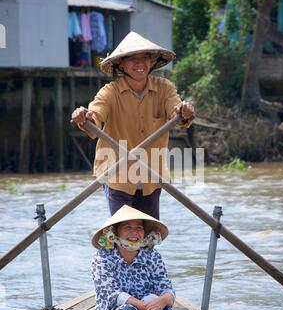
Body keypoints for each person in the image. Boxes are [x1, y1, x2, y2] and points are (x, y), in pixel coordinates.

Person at [71, 31, 195, 219]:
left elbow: (176, 112)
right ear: (121, 63)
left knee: (149, 233)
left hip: (152, 175)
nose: (140, 63)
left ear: (151, 62)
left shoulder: (164, 88)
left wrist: (183, 111)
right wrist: (84, 117)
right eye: (132, 59)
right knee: (124, 229)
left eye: (144, 58)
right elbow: (94, 116)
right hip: (117, 173)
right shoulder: (110, 92)